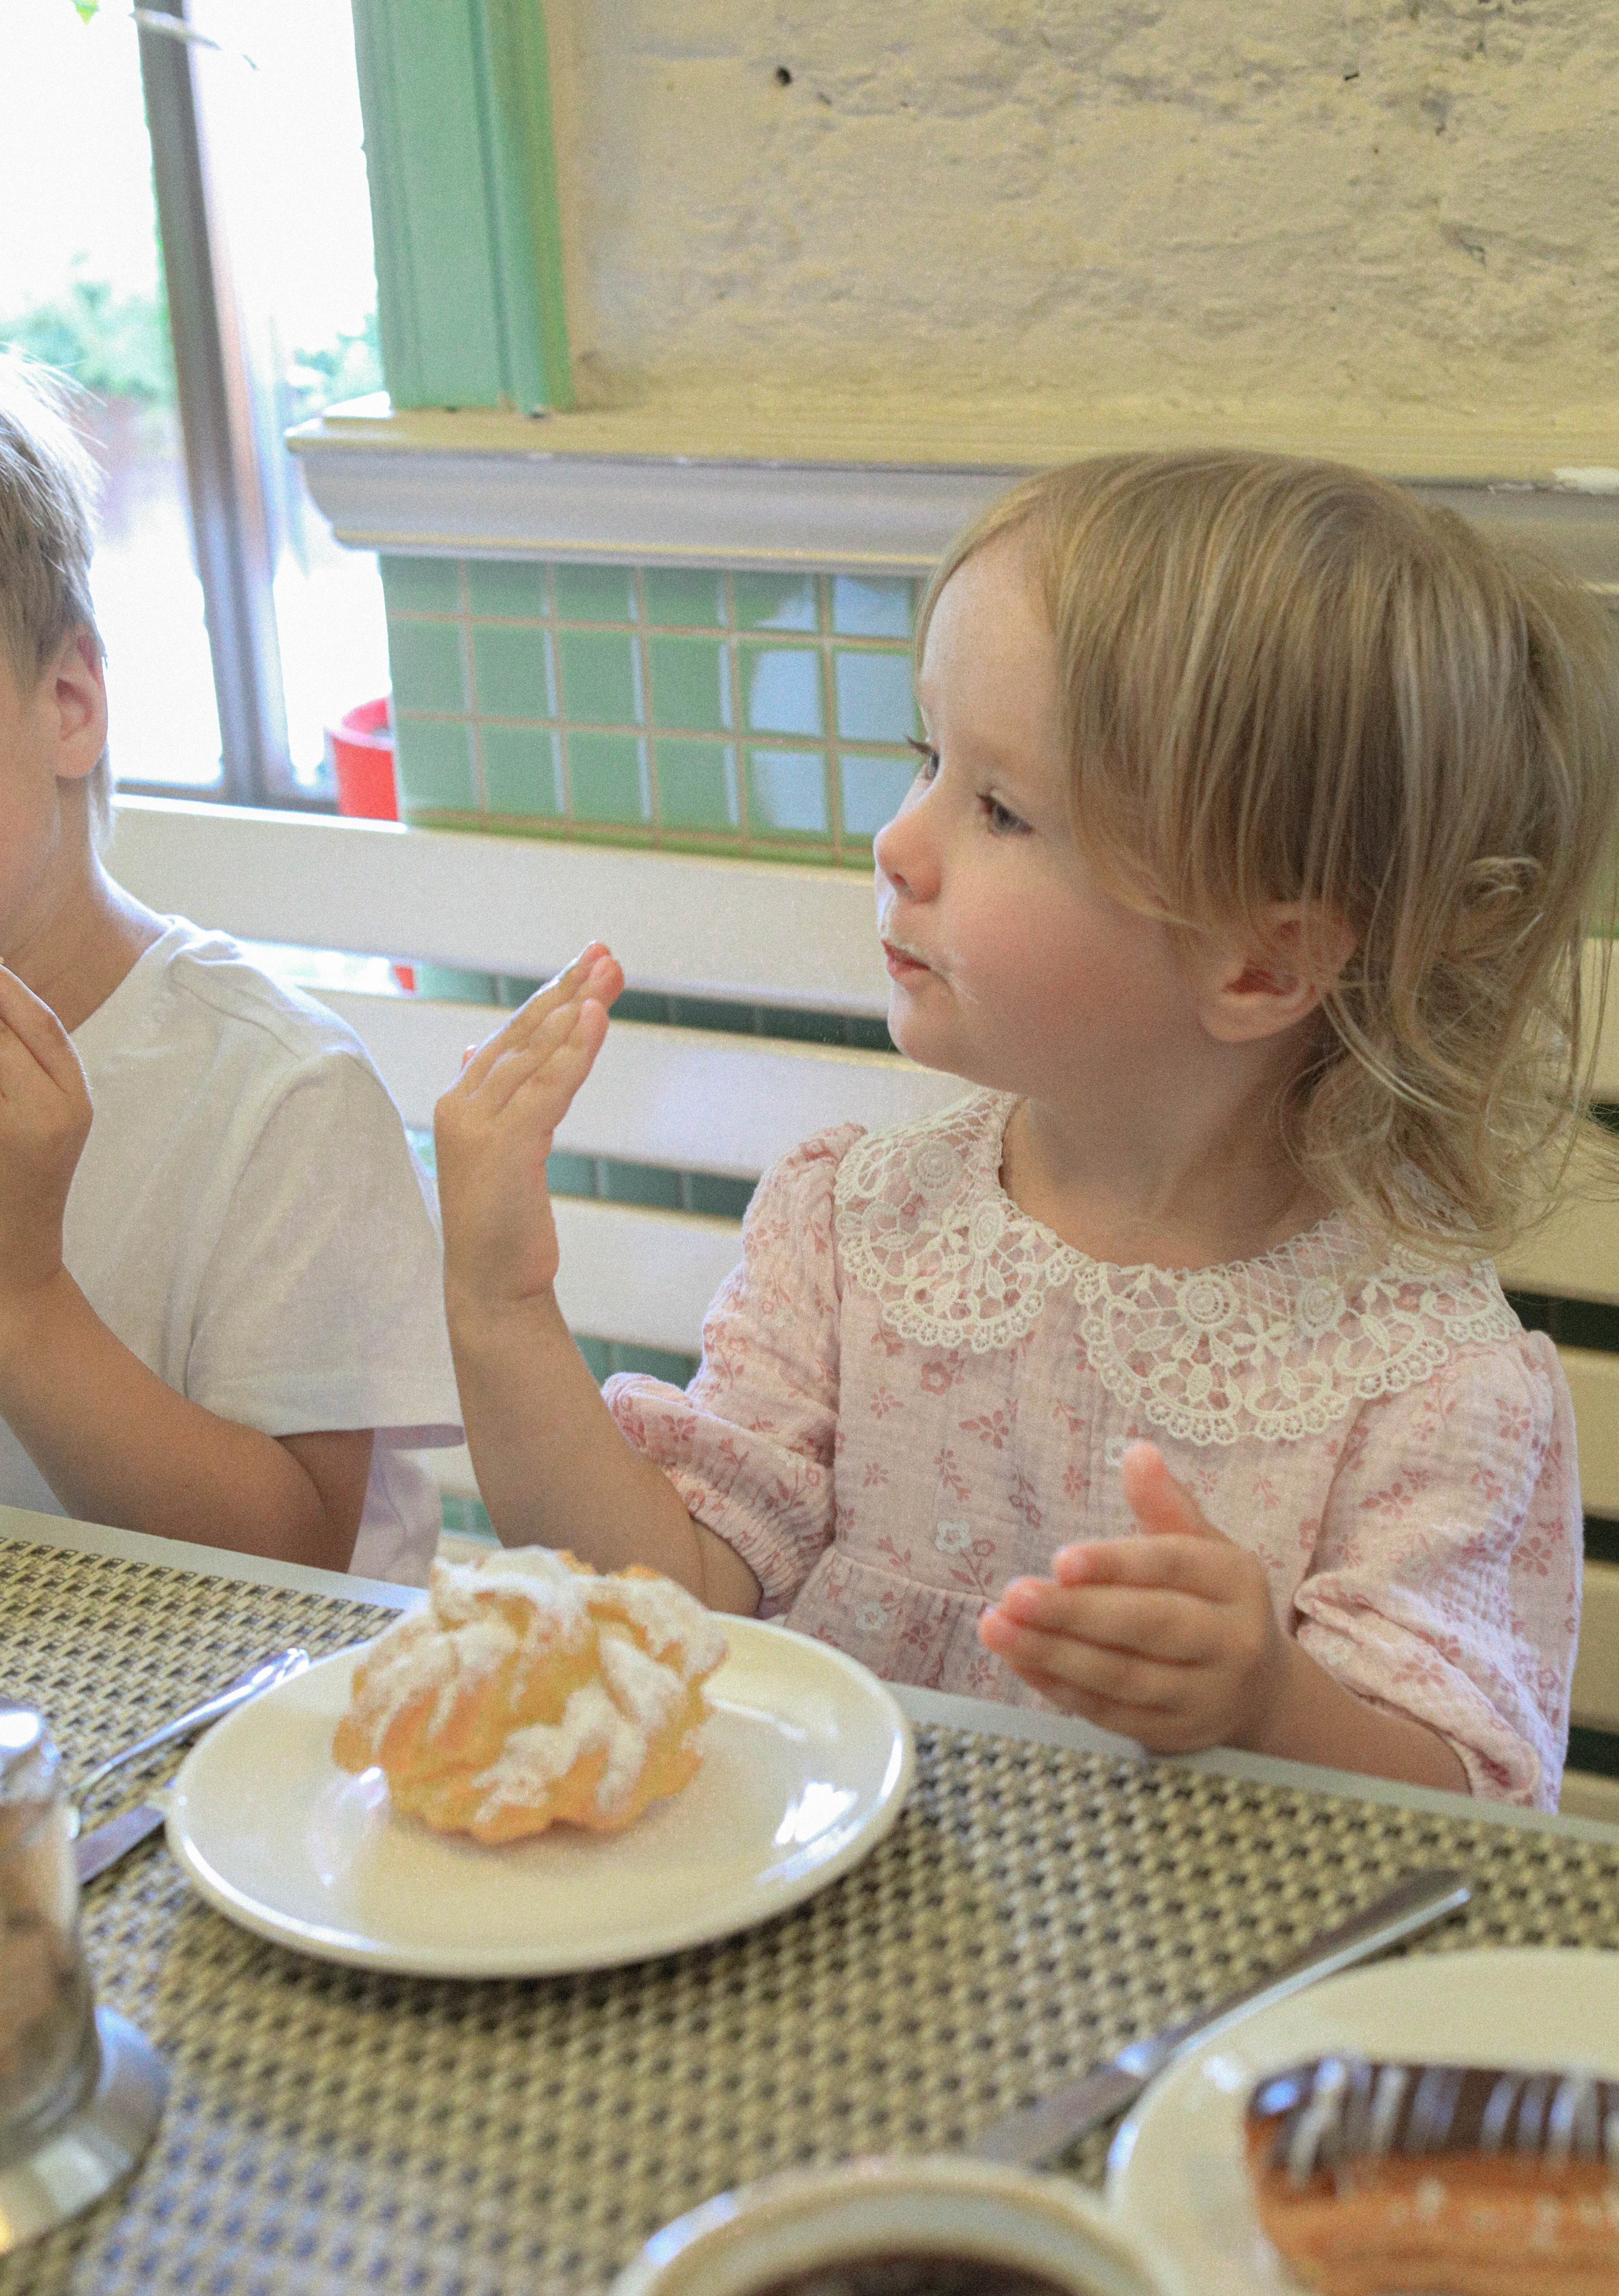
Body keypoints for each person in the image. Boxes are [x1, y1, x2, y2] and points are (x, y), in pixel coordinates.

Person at [436, 450, 1619, 1806]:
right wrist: (500, 1301)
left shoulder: (1420, 1382)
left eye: (997, 806)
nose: (896, 840)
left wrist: (1266, 1701)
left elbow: (1467, 1809)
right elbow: (660, 1602)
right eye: (925, 759)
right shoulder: (853, 1228)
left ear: (1256, 967)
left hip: (1202, 2004)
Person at [0, 354, 459, 1584]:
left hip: (260, 1728)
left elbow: (290, 1561)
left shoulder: (276, 1093)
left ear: (69, 703)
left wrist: (22, 1294)